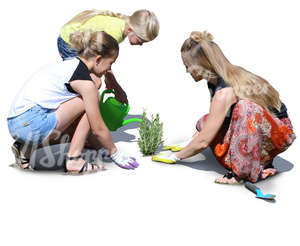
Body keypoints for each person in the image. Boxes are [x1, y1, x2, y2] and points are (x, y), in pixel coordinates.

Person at [153, 31, 296, 184]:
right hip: (264, 130)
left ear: (201, 65)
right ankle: (254, 160)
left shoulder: (224, 92)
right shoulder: (216, 80)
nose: (186, 71)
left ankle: (242, 172)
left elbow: (204, 141)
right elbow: (213, 123)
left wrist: (176, 157)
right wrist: (189, 142)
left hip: (279, 135)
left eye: (187, 66)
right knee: (205, 121)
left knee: (244, 108)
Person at [7, 30, 139, 174]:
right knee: (92, 99)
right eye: (110, 63)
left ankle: (24, 148)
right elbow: (97, 128)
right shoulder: (85, 83)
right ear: (98, 59)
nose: (109, 68)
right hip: (32, 123)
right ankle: (74, 159)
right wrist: (115, 154)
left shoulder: (70, 66)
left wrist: (99, 148)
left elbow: (83, 127)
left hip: (16, 122)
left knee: (75, 133)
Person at [57, 9, 160, 104]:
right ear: (130, 30)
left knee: (92, 82)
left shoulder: (121, 24)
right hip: (69, 43)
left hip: (79, 41)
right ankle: (70, 112)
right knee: (88, 84)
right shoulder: (115, 34)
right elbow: (102, 62)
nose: (141, 44)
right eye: (140, 41)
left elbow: (103, 62)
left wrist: (111, 81)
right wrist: (115, 86)